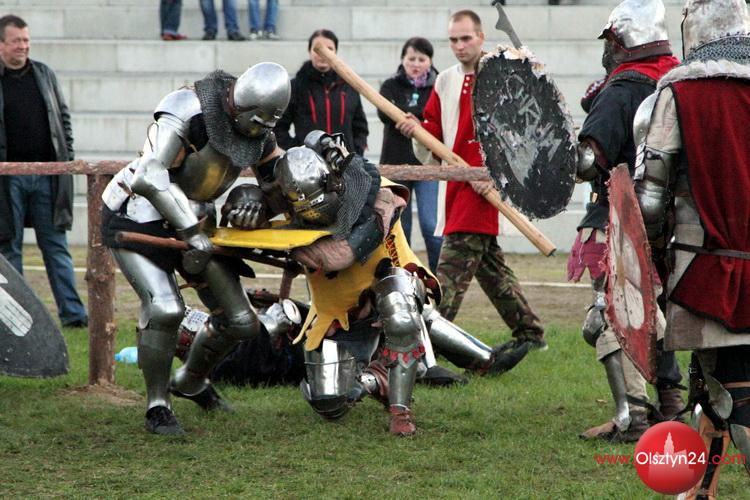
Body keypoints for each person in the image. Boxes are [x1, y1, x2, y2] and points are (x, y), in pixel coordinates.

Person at [222, 132, 531, 435]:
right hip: (339, 312)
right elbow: (245, 218)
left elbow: (342, 255)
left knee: (399, 305)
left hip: (391, 285)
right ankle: (377, 376)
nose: (317, 214)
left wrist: (295, 245)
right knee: (330, 403)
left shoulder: (378, 193)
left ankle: (402, 411)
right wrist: (245, 209)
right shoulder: (290, 201)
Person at [101, 62, 291, 436]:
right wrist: (190, 230)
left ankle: (190, 380)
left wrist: (251, 198)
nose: (258, 131)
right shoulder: (186, 107)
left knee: (241, 321)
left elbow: (275, 186)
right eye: (256, 121)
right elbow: (149, 174)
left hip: (200, 218)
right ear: (242, 105)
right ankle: (157, 405)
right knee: (165, 309)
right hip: (138, 214)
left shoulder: (260, 133)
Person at [635, 0, 750, 494]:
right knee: (713, 388)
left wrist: (647, 254)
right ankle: (699, 491)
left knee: (736, 391)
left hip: (710, 268)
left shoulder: (681, 91)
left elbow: (650, 196)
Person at [396, 10, 545, 350]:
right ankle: (530, 333)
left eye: (466, 38)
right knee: (492, 270)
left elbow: (523, 135)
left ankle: (425, 338)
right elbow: (434, 130)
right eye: (453, 40)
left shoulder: (503, 77)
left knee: (449, 272)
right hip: (459, 185)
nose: (459, 45)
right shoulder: (445, 80)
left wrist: (499, 178)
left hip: (486, 190)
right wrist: (416, 129)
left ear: (480, 37)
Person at [569, 0, 683, 443]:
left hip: (616, 218)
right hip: (672, 222)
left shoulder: (620, 90)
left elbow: (587, 163)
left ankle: (633, 415)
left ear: (619, 41)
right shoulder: (679, 82)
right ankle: (671, 402)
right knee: (656, 310)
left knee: (611, 313)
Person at [0, 15, 88, 329]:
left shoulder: (44, 74)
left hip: (48, 177)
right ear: (1, 44)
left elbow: (63, 120)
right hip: (6, 179)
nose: (23, 46)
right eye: (16, 41)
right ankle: (21, 322)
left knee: (56, 246)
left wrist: (67, 160)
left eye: (26, 40)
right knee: (10, 249)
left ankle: (74, 316)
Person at [378, 37, 443, 272]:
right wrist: (417, 118)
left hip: (427, 166)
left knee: (431, 225)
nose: (416, 64)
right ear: (402, 60)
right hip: (395, 166)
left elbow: (437, 114)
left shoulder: (439, 87)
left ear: (430, 61)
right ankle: (402, 275)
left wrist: (413, 119)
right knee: (400, 228)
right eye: (411, 58)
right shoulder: (390, 85)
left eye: (421, 59)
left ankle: (439, 274)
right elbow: (385, 112)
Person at [274, 29, 368, 156]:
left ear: (335, 52)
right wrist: (297, 150)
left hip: (344, 162)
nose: (323, 54)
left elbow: (360, 126)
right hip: (308, 163)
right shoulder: (296, 86)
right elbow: (279, 127)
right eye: (317, 49)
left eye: (329, 49)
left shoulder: (349, 85)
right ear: (309, 51)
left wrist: (355, 151)